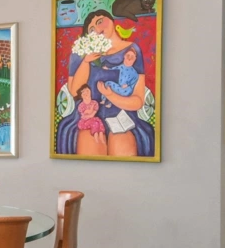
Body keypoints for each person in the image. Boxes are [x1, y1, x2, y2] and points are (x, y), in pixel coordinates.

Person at [55, 9, 155, 158]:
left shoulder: (132, 51)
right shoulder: (81, 51)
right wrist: (86, 61)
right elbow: (75, 91)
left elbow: (138, 101)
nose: (97, 29)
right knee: (90, 145)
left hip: (123, 114)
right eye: (91, 29)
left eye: (100, 21)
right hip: (88, 115)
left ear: (112, 20)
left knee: (122, 145)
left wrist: (111, 95)